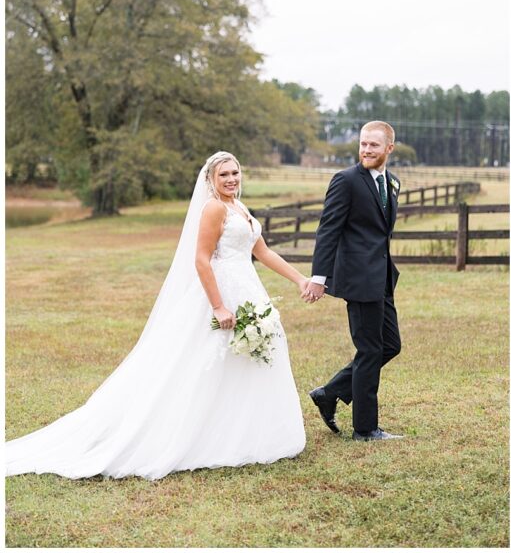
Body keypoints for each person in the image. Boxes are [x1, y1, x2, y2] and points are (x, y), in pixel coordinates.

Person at [6, 151, 307, 480]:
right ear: (211, 180)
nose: (231, 179)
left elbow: (261, 251)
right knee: (204, 364)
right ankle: (198, 436)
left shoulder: (239, 207)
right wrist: (219, 306)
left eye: (235, 172)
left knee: (249, 361)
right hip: (220, 294)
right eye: (223, 175)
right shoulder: (214, 208)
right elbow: (202, 260)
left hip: (248, 289)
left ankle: (249, 433)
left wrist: (300, 279)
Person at [304, 121, 403, 441]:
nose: (366, 150)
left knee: (390, 345)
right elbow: (328, 230)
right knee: (370, 348)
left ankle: (329, 392)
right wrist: (319, 278)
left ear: (389, 148)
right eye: (363, 144)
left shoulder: (392, 182)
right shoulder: (345, 180)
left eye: (374, 145)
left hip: (382, 278)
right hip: (359, 280)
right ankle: (365, 428)